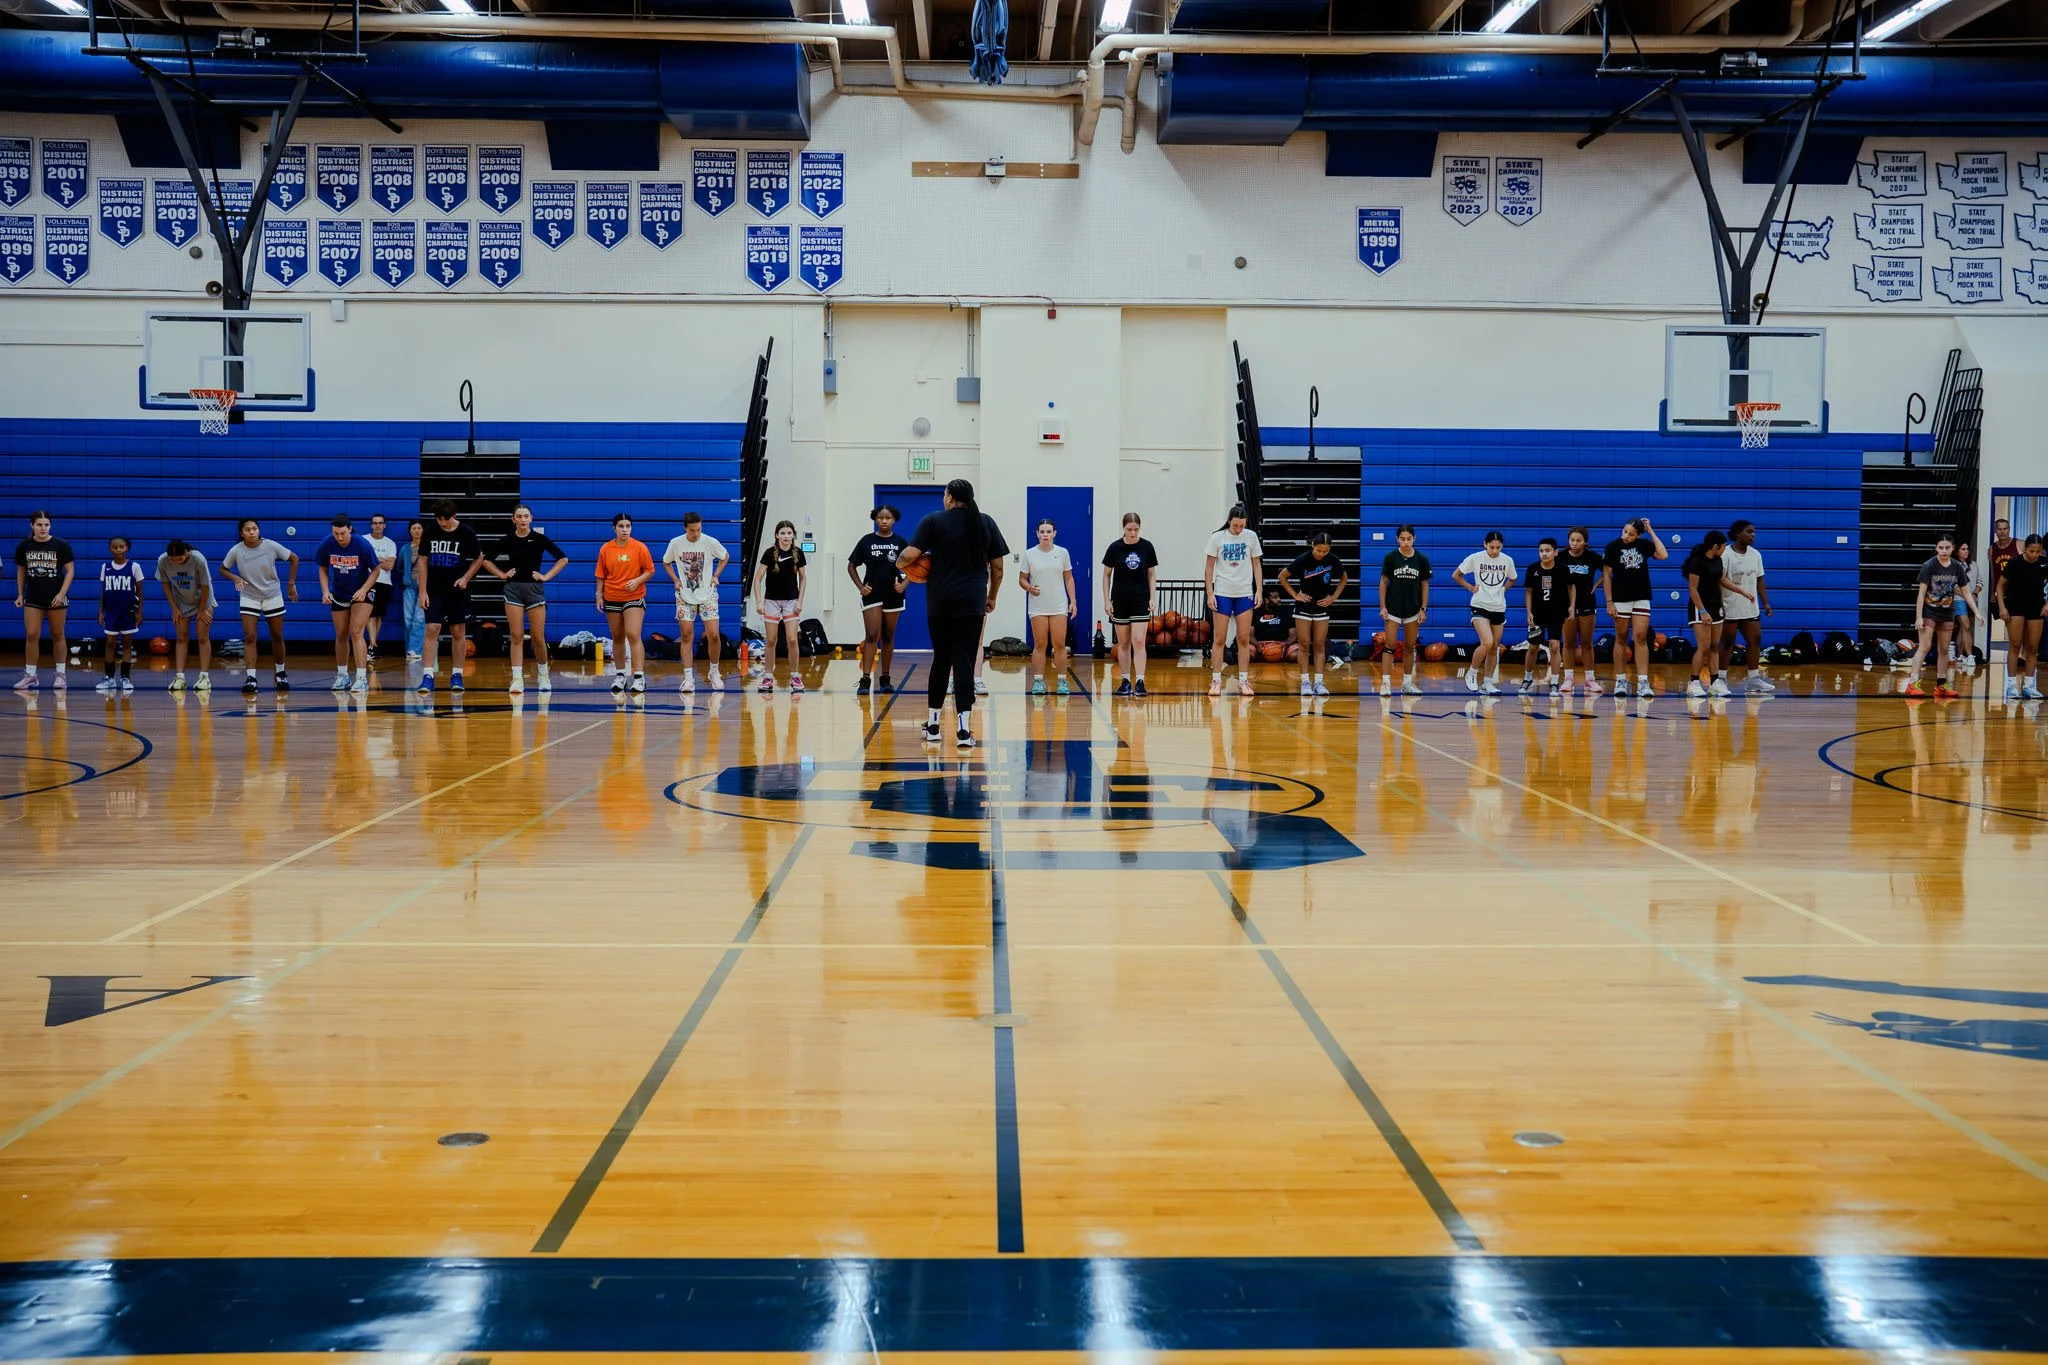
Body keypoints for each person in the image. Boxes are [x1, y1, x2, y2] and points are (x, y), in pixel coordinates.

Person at [896, 478, 1007, 747]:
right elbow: (998, 569)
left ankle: (934, 726)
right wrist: (991, 597)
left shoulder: (933, 520)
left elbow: (909, 555)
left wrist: (900, 563)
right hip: (972, 603)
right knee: (964, 664)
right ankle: (963, 731)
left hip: (940, 602)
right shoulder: (986, 522)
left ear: (948, 497)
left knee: (941, 661)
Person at [479, 504, 568, 695]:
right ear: (513, 519)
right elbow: (486, 559)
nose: (522, 519)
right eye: (519, 516)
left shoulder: (539, 539)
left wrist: (546, 576)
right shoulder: (508, 539)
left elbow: (563, 559)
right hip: (513, 590)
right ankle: (517, 678)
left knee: (537, 636)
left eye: (526, 516)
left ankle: (543, 674)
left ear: (531, 518)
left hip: (535, 591)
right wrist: (502, 574)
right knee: (516, 635)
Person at [221, 518, 298, 696]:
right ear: (241, 533)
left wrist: (291, 584)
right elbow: (223, 569)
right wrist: (236, 578)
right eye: (247, 529)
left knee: (277, 635)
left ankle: (280, 673)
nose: (252, 532)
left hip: (272, 594)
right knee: (250, 636)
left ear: (259, 530)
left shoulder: (270, 545)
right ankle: (251, 678)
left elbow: (294, 558)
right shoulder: (237, 550)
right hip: (249, 596)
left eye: (254, 528)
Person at [418, 500, 483, 693]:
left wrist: (466, 578)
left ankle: (457, 674)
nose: (442, 523)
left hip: (457, 590)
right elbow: (423, 561)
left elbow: (479, 557)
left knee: (458, 632)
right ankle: (428, 676)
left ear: (454, 515)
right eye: (439, 519)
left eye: (445, 519)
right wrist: (422, 591)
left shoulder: (466, 532)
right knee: (432, 629)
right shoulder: (430, 532)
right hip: (434, 589)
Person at [315, 514, 384, 693]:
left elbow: (376, 570)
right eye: (336, 534)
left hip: (362, 593)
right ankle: (342, 675)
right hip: (339, 593)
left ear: (350, 530)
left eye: (343, 533)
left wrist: (364, 589)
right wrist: (325, 591)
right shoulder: (327, 543)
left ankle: (361, 678)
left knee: (356, 631)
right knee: (341, 635)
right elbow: (323, 568)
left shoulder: (362, 544)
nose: (339, 537)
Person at [663, 511, 729, 693]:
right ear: (685, 528)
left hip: (708, 593)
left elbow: (725, 556)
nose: (696, 533)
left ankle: (714, 672)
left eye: (698, 529)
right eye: (692, 530)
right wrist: (675, 579)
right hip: (685, 595)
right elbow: (666, 562)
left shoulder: (709, 541)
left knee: (713, 634)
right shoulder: (676, 543)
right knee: (686, 635)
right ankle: (688, 679)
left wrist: (716, 575)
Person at [1602, 518, 1668, 698]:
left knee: (1641, 637)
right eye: (1624, 531)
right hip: (1620, 598)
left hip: (1641, 597)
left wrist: (1651, 531)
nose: (1626, 536)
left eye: (1631, 534)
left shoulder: (1644, 545)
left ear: (1638, 535)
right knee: (1621, 637)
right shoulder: (1613, 547)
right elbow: (1606, 576)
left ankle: (1643, 681)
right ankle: (1620, 680)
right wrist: (1609, 602)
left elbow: (1663, 555)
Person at [1902, 534, 1973, 700]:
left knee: (1944, 649)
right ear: (1936, 548)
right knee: (1925, 646)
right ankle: (1912, 684)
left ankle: (1941, 686)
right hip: (1929, 610)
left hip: (1947, 611)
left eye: (1947, 547)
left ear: (1953, 548)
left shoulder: (1957, 567)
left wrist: (1976, 612)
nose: (1944, 551)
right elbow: (1921, 594)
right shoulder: (1929, 565)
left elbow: (1966, 592)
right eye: (1941, 547)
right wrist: (1918, 617)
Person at [847, 505, 909, 697]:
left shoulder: (900, 542)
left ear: (894, 520)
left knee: (888, 636)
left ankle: (885, 678)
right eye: (880, 518)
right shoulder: (867, 541)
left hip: (893, 595)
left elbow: (914, 566)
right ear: (875, 519)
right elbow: (851, 565)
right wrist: (860, 587)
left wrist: (905, 584)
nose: (884, 521)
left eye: (888, 518)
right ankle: (865, 679)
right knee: (872, 635)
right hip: (872, 594)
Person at [1681, 530, 1750, 698]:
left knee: (1714, 646)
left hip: (1715, 606)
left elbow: (1722, 580)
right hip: (1700, 607)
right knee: (1703, 647)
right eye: (1723, 546)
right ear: (1715, 546)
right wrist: (1702, 611)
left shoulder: (1718, 560)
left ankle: (1715, 683)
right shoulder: (1697, 562)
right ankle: (1693, 683)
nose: (1725, 549)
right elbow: (1692, 589)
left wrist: (1741, 591)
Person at [12, 511, 75, 692]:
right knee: (31, 635)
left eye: (46, 524)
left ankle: (61, 675)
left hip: (56, 597)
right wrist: (20, 594)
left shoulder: (61, 545)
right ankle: (31, 675)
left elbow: (70, 571)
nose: (43, 528)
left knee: (58, 634)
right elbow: (21, 571)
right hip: (33, 596)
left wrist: (62, 594)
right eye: (39, 525)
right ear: (32, 525)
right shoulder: (24, 546)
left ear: (50, 525)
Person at [1205, 505, 1263, 697]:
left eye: (1241, 526)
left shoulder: (1251, 537)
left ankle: (1243, 681)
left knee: (1243, 638)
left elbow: (1257, 565)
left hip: (1244, 592)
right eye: (1235, 525)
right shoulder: (1217, 537)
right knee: (1219, 638)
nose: (1238, 529)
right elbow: (1209, 567)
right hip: (1223, 592)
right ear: (1229, 521)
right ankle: (1216, 680)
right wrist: (1210, 593)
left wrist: (1259, 590)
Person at [1280, 532, 1347, 697]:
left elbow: (1344, 577)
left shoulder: (1333, 560)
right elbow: (1282, 576)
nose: (1321, 554)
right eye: (1319, 550)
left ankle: (1318, 682)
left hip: (1322, 607)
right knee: (1304, 645)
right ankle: (1305, 682)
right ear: (1312, 546)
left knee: (1319, 645)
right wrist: (1295, 595)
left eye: (1325, 551)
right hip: (1303, 607)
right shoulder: (1303, 559)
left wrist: (1333, 597)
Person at [597, 512, 656, 694]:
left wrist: (637, 581)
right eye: (621, 526)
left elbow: (650, 570)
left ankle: (639, 677)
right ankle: (620, 676)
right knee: (617, 636)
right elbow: (601, 574)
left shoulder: (639, 547)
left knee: (633, 633)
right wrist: (599, 594)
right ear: (614, 528)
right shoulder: (606, 548)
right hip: (612, 596)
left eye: (628, 526)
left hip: (634, 596)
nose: (625, 529)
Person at [1101, 513, 1158, 698]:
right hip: (1120, 599)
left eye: (1135, 529)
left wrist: (1152, 597)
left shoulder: (1147, 546)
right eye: (1129, 529)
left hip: (1140, 599)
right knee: (1124, 643)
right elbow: (1106, 574)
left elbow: (1151, 574)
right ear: (1123, 528)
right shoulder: (1115, 548)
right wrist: (1107, 600)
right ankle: (1125, 680)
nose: (1132, 533)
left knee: (1139, 641)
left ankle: (1140, 681)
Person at [1454, 531, 1517, 696]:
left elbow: (1513, 578)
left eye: (1498, 547)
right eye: (1491, 547)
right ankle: (1471, 673)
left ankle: (1488, 682)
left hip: (1498, 607)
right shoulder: (1476, 558)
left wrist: (1503, 589)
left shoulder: (1507, 560)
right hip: (1480, 605)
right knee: (1487, 642)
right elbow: (1457, 575)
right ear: (1485, 544)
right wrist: (1470, 587)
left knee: (1494, 646)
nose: (1495, 551)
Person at [1019, 518, 1076, 697]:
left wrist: (1073, 600)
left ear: (1054, 533)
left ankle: (1062, 681)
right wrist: (1029, 587)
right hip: (1037, 606)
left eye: (1048, 532)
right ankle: (1038, 681)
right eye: (1042, 532)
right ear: (1037, 534)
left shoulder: (1063, 553)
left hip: (1058, 605)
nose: (1045, 535)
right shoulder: (1029, 554)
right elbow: (1022, 579)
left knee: (1059, 644)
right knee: (1040, 644)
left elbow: (1069, 578)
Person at [1717, 520, 1775, 694]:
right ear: (1737, 533)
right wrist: (1719, 605)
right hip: (1730, 605)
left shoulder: (1756, 555)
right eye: (1749, 532)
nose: (1753, 535)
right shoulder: (1726, 554)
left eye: (1754, 532)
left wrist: (1765, 602)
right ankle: (1720, 679)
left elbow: (1760, 580)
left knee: (1755, 640)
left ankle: (1753, 679)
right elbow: (1719, 580)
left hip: (1750, 607)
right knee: (1727, 642)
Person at [752, 519, 808, 694]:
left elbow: (803, 578)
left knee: (792, 639)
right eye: (782, 533)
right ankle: (768, 677)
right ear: (776, 535)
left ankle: (795, 676)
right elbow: (757, 579)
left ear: (793, 535)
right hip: (772, 601)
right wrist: (759, 602)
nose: (786, 536)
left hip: (791, 601)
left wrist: (800, 601)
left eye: (789, 533)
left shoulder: (798, 553)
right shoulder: (769, 553)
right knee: (771, 640)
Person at [1377, 525, 1430, 698]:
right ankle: (1385, 683)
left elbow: (1425, 584)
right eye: (1402, 539)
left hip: (1413, 609)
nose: (1406, 542)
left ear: (1414, 538)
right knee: (1390, 644)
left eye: (1409, 539)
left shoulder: (1421, 559)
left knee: (1409, 647)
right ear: (1397, 539)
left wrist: (1423, 608)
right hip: (1393, 608)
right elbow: (1383, 582)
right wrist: (1383, 606)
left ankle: (1407, 683)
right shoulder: (1390, 557)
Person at [156, 538, 215, 692]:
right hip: (181, 601)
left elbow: (205, 586)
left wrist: (202, 610)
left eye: (180, 559)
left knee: (202, 636)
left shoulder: (198, 559)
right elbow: (165, 584)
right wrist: (174, 608)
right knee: (181, 638)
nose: (177, 562)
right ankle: (180, 677)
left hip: (203, 599)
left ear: (187, 552)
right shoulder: (162, 561)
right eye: (173, 560)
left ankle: (204, 677)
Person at [1996, 534, 2045, 701]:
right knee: (2015, 645)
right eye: (2031, 551)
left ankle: (2029, 686)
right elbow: (2000, 586)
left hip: (2036, 607)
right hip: (2015, 606)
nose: (2034, 555)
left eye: (2037, 552)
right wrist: (2002, 607)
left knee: (2033, 647)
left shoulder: (2044, 563)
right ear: (2025, 548)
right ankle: (2011, 686)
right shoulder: (2014, 563)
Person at [1518, 536, 1570, 696]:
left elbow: (1571, 587)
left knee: (1554, 646)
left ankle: (1554, 682)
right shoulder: (1533, 568)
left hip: (1556, 613)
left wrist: (1572, 605)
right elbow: (1528, 591)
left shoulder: (1562, 569)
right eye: (1541, 551)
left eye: (1547, 550)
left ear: (1555, 552)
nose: (1544, 553)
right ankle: (1527, 678)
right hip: (1537, 614)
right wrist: (1529, 611)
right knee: (1533, 647)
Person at [1558, 527, 1601, 696]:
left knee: (1586, 643)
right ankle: (1568, 678)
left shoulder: (1592, 557)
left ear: (1585, 542)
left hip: (1587, 603)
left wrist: (1597, 584)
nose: (1575, 543)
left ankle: (1590, 679)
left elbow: (1608, 570)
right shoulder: (1560, 557)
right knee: (1568, 643)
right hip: (1566, 605)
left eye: (1578, 540)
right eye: (1572, 540)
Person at [361, 513, 399, 662]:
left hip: (384, 582)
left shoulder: (390, 543)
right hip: (369, 581)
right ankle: (372, 645)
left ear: (385, 525)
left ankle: (373, 645)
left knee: (378, 615)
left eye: (380, 523)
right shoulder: (364, 540)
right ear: (371, 525)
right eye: (375, 523)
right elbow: (362, 561)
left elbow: (390, 566)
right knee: (371, 613)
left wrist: (374, 560)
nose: (377, 525)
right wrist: (380, 560)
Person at [400, 520, 427, 662]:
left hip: (424, 586)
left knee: (419, 618)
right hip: (409, 585)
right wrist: (406, 577)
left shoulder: (428, 547)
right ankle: (409, 650)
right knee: (407, 618)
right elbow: (399, 566)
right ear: (410, 531)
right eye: (414, 528)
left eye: (419, 528)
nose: (416, 531)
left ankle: (415, 650)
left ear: (423, 530)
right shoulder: (405, 549)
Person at [1951, 540, 1980, 668]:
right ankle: (1970, 655)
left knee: (1965, 628)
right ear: (1957, 551)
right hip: (1959, 599)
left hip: (1973, 600)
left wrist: (1975, 594)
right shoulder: (1953, 565)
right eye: (1963, 549)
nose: (1966, 551)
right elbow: (1953, 585)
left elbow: (1979, 581)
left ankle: (1959, 655)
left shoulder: (1973, 565)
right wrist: (1966, 596)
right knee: (1965, 624)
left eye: (1967, 549)